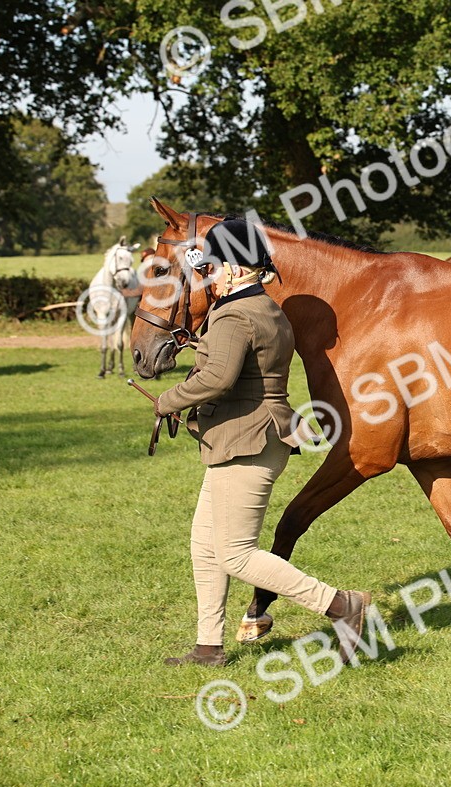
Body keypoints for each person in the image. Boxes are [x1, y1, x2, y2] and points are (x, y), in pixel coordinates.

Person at [155, 217, 371, 667]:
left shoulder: (234, 314)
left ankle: (340, 605)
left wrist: (168, 400)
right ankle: (208, 646)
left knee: (235, 553)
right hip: (254, 434)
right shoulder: (267, 307)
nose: (209, 276)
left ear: (235, 268)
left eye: (214, 267)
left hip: (246, 439)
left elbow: (217, 378)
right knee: (205, 544)